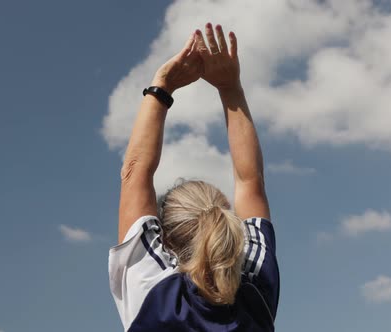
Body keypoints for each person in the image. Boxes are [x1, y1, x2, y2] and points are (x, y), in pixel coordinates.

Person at [108, 23, 279, 331]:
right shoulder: (255, 288)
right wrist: (230, 87)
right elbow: (251, 182)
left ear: (166, 240)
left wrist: (162, 85)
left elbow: (134, 173)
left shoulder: (151, 288)